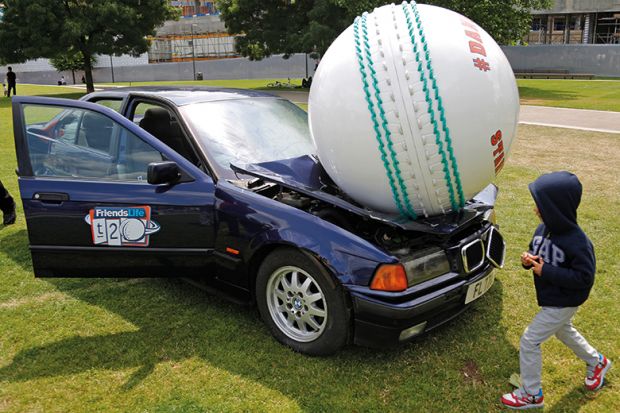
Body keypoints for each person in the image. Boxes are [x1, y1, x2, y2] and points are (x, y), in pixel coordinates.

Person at [500, 171, 611, 409]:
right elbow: (537, 251)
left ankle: (531, 394)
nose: (536, 209)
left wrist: (545, 271)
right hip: (553, 298)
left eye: (541, 205)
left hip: (566, 300)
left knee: (530, 340)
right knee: (563, 332)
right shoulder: (543, 229)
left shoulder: (577, 242)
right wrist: (528, 260)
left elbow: (584, 278)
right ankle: (597, 361)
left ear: (557, 207)